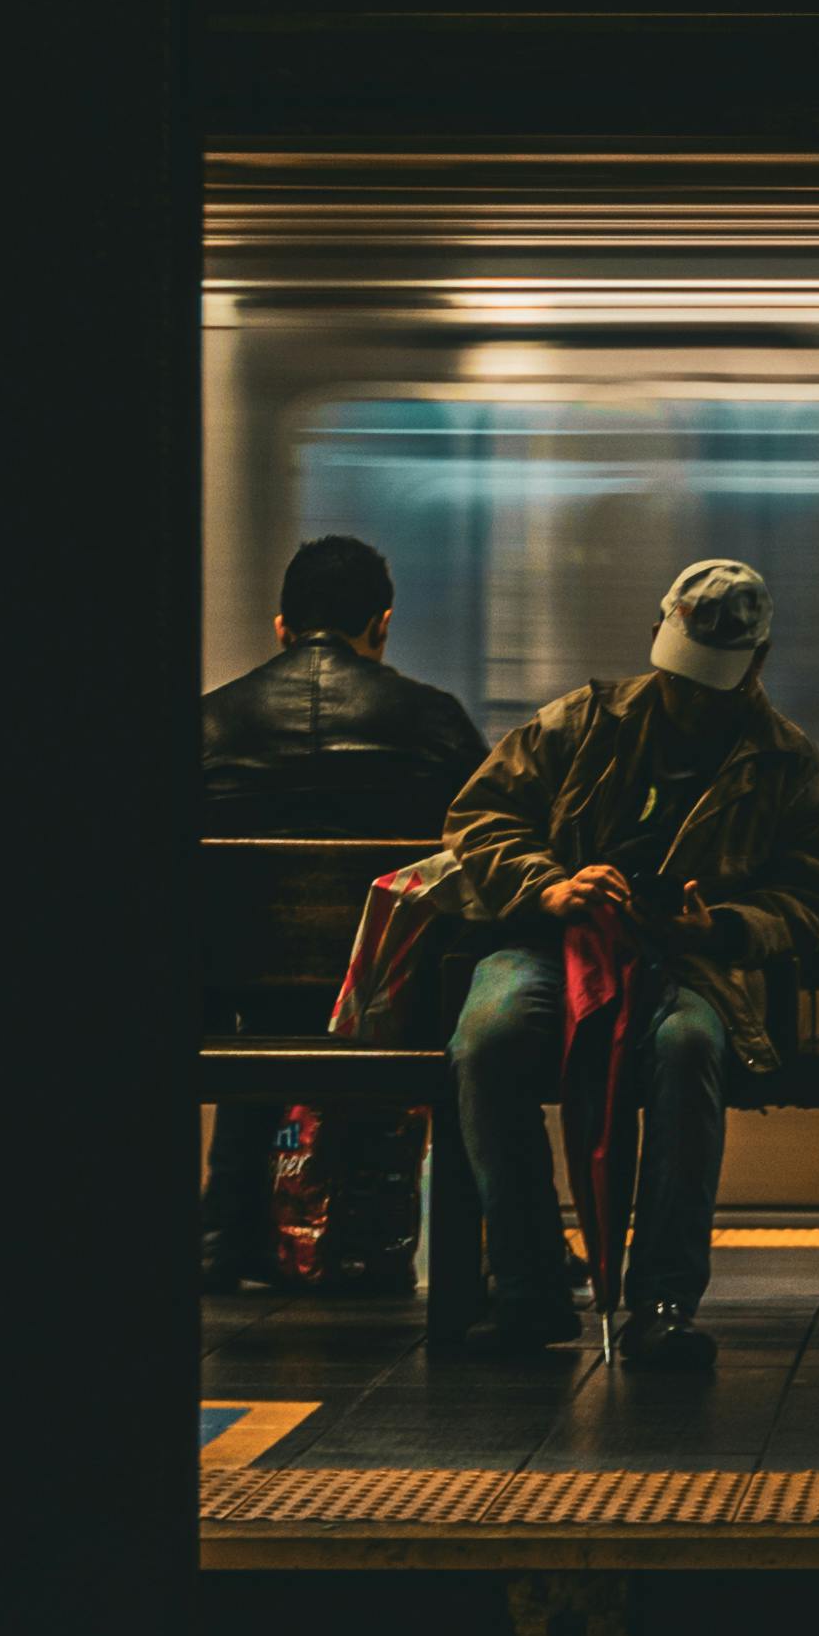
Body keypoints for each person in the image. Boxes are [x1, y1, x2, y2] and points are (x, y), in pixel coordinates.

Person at [426, 556, 819, 1379]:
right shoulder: (583, 723)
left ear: (755, 665)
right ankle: (527, 1284)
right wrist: (550, 885)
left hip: (691, 966)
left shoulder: (786, 766)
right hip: (553, 944)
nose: (692, 697)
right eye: (681, 676)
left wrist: (722, 928)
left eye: (711, 682)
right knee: (487, 1040)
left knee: (687, 1049)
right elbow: (480, 816)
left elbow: (813, 897)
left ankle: (663, 1303)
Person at [195, 532, 488, 1289]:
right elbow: (485, 850)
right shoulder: (433, 720)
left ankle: (228, 1228)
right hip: (394, 995)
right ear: (381, 625)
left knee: (262, 1009)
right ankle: (468, 1238)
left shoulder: (210, 724)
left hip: (239, 999)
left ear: (279, 626)